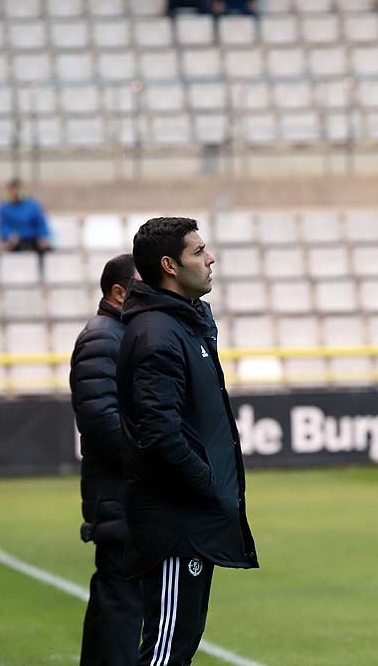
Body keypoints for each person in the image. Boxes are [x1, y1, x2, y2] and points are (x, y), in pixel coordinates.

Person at [117, 217, 258, 665]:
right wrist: (208, 483)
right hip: (178, 522)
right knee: (165, 653)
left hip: (189, 515)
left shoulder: (183, 323)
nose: (210, 258)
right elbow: (160, 433)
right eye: (198, 252)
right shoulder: (159, 333)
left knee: (176, 647)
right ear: (169, 266)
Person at [71, 254, 143, 666]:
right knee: (123, 606)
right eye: (142, 286)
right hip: (122, 496)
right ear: (118, 292)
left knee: (113, 601)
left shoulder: (118, 334)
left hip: (120, 496)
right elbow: (101, 421)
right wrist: (158, 456)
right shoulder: (104, 336)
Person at [0, 178, 54, 254]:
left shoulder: (33, 205)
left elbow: (41, 223)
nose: (15, 194)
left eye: (18, 190)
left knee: (46, 248)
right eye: (13, 191)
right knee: (4, 247)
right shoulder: (4, 207)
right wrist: (9, 235)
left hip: (32, 238)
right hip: (14, 241)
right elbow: (3, 226)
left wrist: (42, 237)